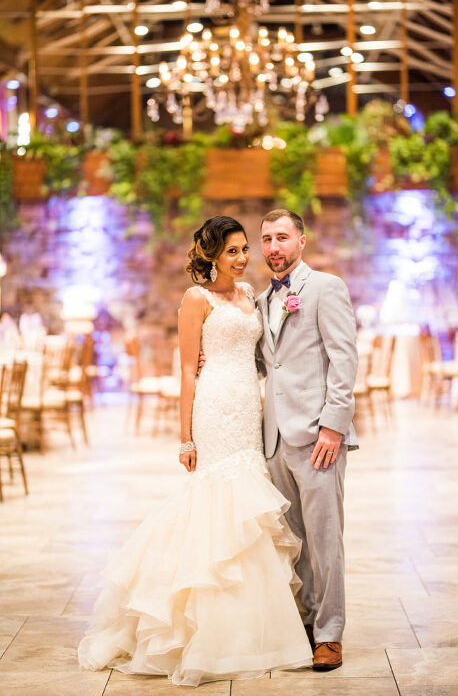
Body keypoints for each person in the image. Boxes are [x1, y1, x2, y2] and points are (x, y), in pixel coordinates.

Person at [77, 215, 312, 687]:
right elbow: (187, 370)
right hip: (214, 407)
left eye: (244, 249)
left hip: (249, 406)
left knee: (249, 508)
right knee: (215, 501)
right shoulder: (195, 299)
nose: (242, 258)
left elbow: (262, 354)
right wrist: (185, 437)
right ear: (212, 256)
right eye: (232, 251)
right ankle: (202, 629)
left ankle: (252, 628)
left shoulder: (249, 294)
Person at [256, 208, 359, 671]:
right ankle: (305, 622)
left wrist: (334, 424)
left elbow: (344, 359)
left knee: (324, 539)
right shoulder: (262, 299)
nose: (273, 247)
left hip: (318, 435)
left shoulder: (325, 288)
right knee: (293, 540)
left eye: (282, 237)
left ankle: (330, 633)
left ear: (301, 241)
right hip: (275, 438)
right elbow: (268, 363)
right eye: (266, 239)